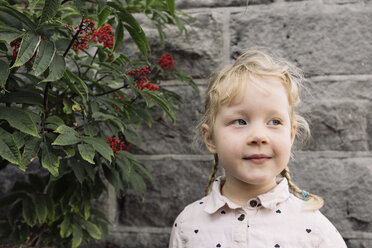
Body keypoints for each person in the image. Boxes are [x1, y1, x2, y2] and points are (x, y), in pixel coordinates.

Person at [168, 49, 348, 248]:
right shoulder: (188, 225)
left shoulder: (313, 228)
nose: (259, 136)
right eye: (240, 121)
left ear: (290, 135)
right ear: (210, 138)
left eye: (274, 121)